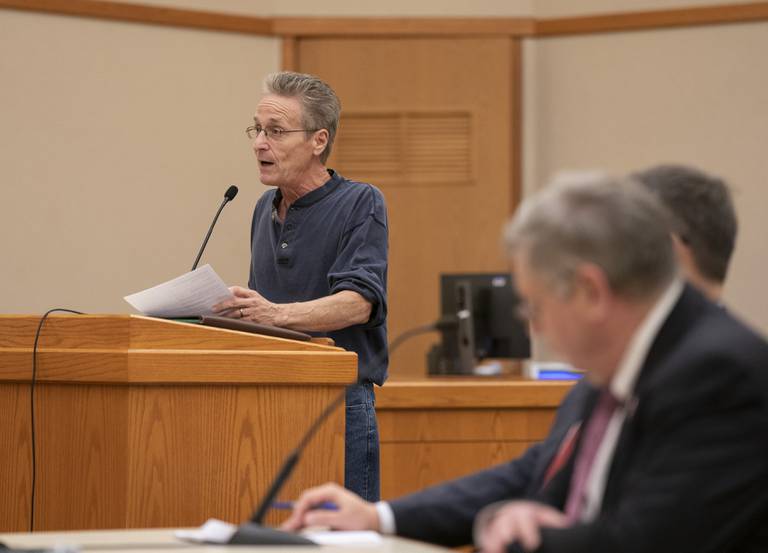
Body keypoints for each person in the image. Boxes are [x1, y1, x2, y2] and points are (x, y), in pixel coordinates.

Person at [284, 174, 768, 553]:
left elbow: (645, 541)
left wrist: (516, 532)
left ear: (590, 292)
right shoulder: (615, 368)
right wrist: (379, 518)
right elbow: (534, 473)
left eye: (534, 306)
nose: (534, 327)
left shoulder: (720, 372)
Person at [213, 71, 388, 502]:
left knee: (344, 538)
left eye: (275, 131)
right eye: (257, 129)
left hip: (336, 403)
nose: (259, 142)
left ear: (318, 140)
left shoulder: (360, 201)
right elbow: (262, 315)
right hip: (268, 400)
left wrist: (273, 314)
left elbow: (358, 304)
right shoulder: (261, 208)